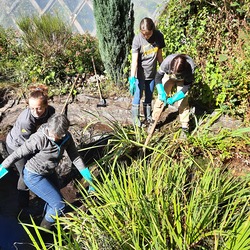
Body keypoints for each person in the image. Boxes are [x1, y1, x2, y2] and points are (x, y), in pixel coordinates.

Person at [0, 113, 95, 229]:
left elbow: (75, 157)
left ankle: (44, 219)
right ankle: (44, 229)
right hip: (33, 175)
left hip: (49, 172)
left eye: (57, 135)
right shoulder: (39, 138)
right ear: (48, 127)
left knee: (54, 201)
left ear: (64, 133)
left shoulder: (67, 138)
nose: (53, 137)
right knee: (59, 204)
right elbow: (18, 153)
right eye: (51, 133)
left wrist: (88, 177)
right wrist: (3, 166)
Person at [5, 85, 55, 209]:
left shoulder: (51, 112)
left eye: (38, 108)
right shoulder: (26, 121)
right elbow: (27, 145)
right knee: (25, 174)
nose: (35, 112)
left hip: (34, 140)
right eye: (32, 108)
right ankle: (22, 206)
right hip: (17, 145)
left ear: (46, 106)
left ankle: (43, 190)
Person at [129, 17, 165, 127]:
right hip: (140, 75)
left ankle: (148, 117)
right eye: (144, 34)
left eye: (148, 34)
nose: (146, 36)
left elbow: (159, 55)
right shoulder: (137, 40)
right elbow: (134, 61)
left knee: (149, 96)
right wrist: (132, 78)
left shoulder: (158, 36)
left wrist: (163, 71)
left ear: (152, 30)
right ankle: (135, 119)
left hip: (152, 73)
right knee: (138, 95)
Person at [152, 53, 195, 136]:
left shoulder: (190, 67)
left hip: (183, 80)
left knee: (183, 102)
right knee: (160, 100)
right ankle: (154, 121)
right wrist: (161, 91)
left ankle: (185, 127)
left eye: (177, 74)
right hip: (169, 77)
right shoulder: (167, 62)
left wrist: (174, 98)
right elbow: (158, 78)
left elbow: (186, 87)